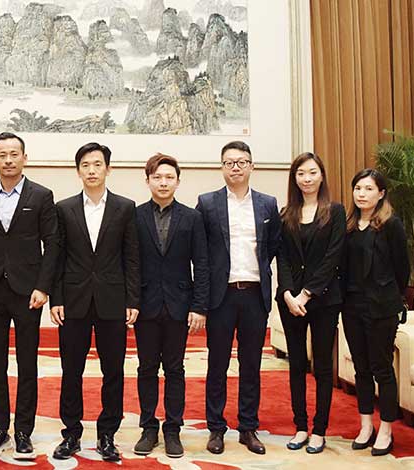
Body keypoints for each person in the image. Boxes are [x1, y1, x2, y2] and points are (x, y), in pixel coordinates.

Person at [50, 142, 139, 462]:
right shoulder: (64, 208)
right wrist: (56, 298)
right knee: (71, 370)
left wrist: (133, 299)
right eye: (85, 165)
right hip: (73, 301)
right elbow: (57, 257)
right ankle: (71, 434)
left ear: (108, 169)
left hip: (112, 300)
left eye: (97, 164)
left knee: (113, 370)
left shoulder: (125, 207)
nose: (91, 170)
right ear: (78, 171)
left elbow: (132, 257)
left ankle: (107, 434)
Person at [0, 132, 59, 460]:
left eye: (14, 154)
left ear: (25, 158)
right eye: (2, 154)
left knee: (27, 362)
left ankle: (24, 430)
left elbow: (52, 244)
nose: (8, 160)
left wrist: (43, 287)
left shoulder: (41, 195)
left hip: (28, 292)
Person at [196, 141, 280, 455]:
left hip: (254, 295)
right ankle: (216, 428)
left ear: (251, 166)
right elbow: (200, 254)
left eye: (242, 162)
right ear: (222, 167)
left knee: (251, 365)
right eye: (229, 162)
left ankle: (248, 428)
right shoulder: (207, 203)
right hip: (221, 296)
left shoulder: (267, 204)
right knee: (217, 364)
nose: (236, 167)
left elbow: (273, 246)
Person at [133, 153, 208, 458]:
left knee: (175, 369)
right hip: (145, 305)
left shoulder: (192, 218)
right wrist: (130, 302)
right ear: (147, 180)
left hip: (180, 305)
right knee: (147, 368)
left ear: (178, 181)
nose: (163, 183)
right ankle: (148, 427)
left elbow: (201, 264)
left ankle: (173, 429)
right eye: (157, 177)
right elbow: (130, 264)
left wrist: (199, 306)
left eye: (169, 178)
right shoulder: (135, 216)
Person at [276, 153, 345, 454]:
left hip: (324, 300)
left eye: (312, 172)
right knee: (296, 365)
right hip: (290, 302)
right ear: (294, 178)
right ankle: (301, 426)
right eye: (301, 173)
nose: (306, 178)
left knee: (322, 366)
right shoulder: (286, 214)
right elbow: (282, 257)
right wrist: (288, 294)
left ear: (321, 175)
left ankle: (319, 430)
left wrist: (307, 293)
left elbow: (333, 257)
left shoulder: (335, 211)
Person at [341, 168, 408, 457]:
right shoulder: (349, 225)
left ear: (381, 194)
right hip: (352, 307)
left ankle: (387, 429)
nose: (362, 194)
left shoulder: (391, 225)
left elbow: (402, 269)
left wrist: (392, 298)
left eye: (368, 189)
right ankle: (366, 425)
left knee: (382, 368)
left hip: (382, 308)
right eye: (358, 188)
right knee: (361, 368)